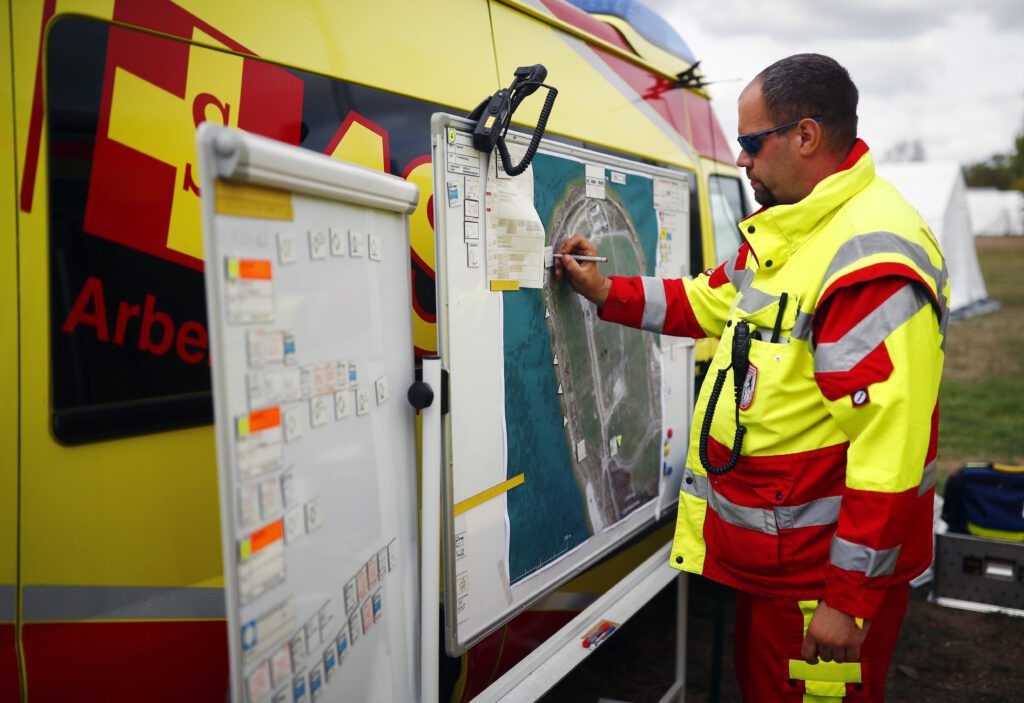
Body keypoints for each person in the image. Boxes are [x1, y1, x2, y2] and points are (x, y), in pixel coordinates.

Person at [555, 53, 947, 702]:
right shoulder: (797, 230)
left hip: (820, 580)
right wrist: (606, 291)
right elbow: (709, 301)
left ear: (805, 136)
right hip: (783, 569)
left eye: (750, 142)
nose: (740, 159)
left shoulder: (866, 258)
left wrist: (847, 602)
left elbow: (890, 449)